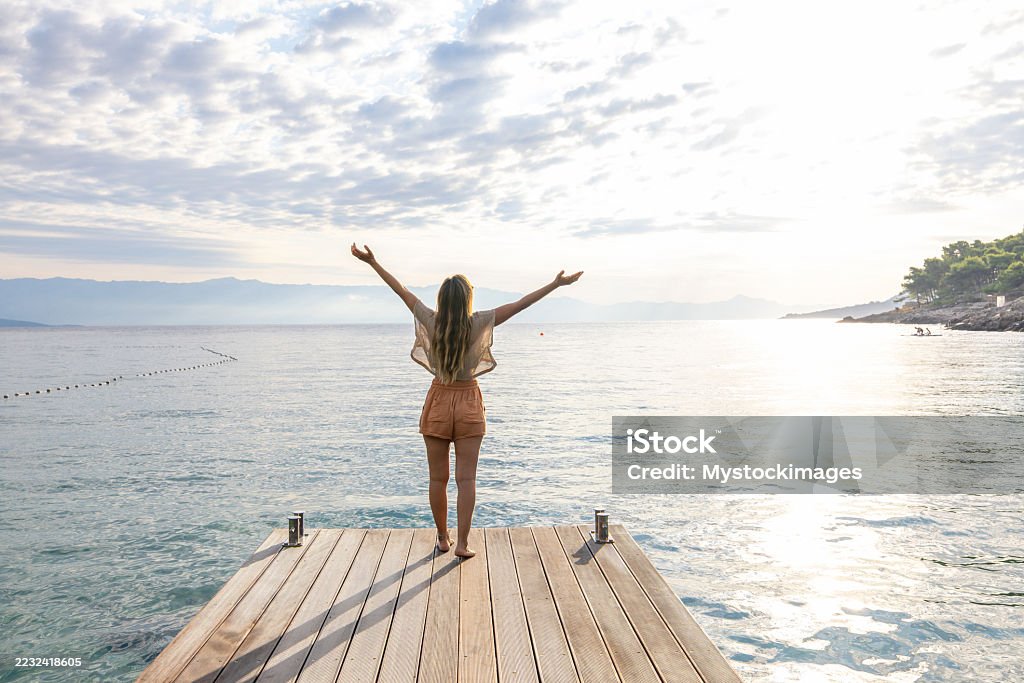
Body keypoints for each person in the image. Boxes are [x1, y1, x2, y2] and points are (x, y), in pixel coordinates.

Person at [351, 243, 583, 558]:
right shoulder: (479, 322)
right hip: (469, 402)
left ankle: (443, 539)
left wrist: (373, 262)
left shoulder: (430, 320)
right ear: (468, 299)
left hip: (439, 400)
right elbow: (520, 304)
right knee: (466, 479)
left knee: (438, 478)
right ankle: (462, 543)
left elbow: (401, 291)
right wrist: (556, 285)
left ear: (441, 300)